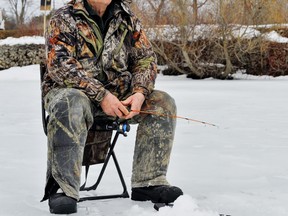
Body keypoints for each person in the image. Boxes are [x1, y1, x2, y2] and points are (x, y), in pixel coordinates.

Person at [41, 0, 183, 214]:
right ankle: (63, 188)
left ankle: (149, 182)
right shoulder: (64, 17)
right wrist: (101, 95)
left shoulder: (127, 17)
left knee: (162, 103)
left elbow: (146, 59)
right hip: (72, 93)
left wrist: (139, 93)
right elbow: (60, 65)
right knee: (72, 102)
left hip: (119, 96)